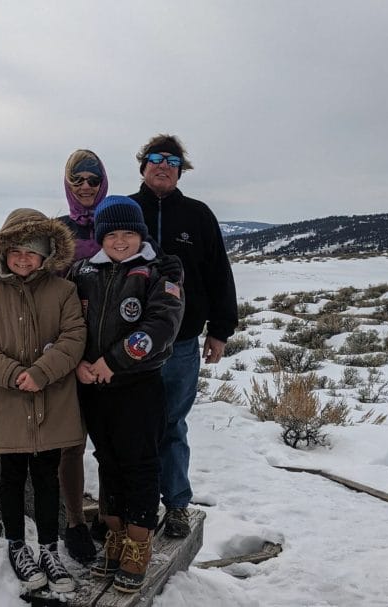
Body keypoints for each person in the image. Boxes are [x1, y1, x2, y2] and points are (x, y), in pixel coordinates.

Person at [0, 208, 87, 593]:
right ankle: (18, 546)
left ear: (47, 253)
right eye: (15, 249)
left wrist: (41, 372)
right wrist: (14, 373)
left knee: (48, 477)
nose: (23, 257)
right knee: (12, 477)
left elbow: (73, 338)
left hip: (53, 402)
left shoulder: (64, 292)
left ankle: (49, 548)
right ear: (2, 252)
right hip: (9, 404)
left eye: (32, 250)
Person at [68, 195, 184, 593]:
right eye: (111, 234)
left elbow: (161, 326)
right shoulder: (83, 271)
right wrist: (80, 362)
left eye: (128, 234)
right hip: (94, 387)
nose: (119, 242)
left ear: (140, 235)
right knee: (108, 461)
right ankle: (115, 535)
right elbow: (65, 319)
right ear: (100, 236)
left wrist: (112, 361)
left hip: (137, 386)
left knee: (139, 465)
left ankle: (138, 543)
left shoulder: (157, 272)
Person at [129, 134, 238, 538]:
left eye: (172, 160)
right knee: (131, 426)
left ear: (180, 170)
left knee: (172, 424)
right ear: (143, 166)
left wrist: (220, 330)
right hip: (129, 344)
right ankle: (130, 507)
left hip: (181, 343)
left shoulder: (198, 215)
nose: (163, 165)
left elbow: (218, 274)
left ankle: (175, 504)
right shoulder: (124, 210)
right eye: (155, 158)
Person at [55, 149, 108, 564]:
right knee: (72, 443)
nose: (87, 187)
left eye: (93, 179)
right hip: (69, 351)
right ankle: (74, 523)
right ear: (68, 184)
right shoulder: (57, 232)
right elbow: (24, 266)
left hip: (110, 354)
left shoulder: (119, 224)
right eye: (79, 180)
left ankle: (108, 518)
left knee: (110, 443)